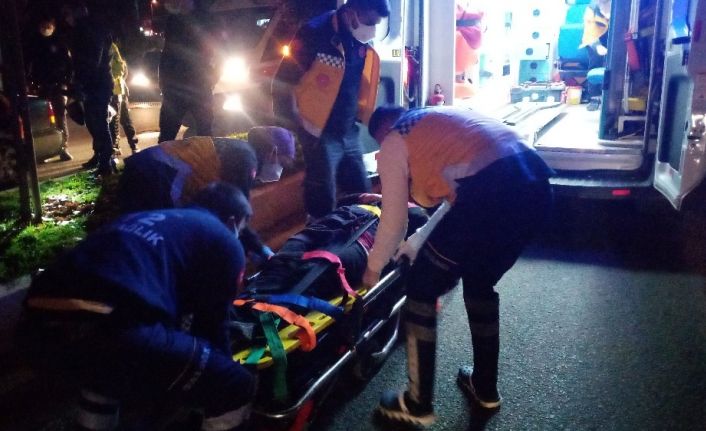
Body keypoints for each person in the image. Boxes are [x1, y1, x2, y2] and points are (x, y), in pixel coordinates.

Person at [362, 106, 554, 426]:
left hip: (489, 196)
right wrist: (419, 241)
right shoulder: (440, 121)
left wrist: (372, 270)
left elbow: (393, 221)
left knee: (421, 286)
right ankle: (484, 387)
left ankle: (416, 404)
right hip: (537, 191)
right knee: (479, 281)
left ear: (383, 131)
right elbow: (456, 199)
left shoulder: (395, 139)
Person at [15, 182, 256, 431]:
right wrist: (217, 373)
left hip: (34, 333)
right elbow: (212, 327)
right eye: (241, 229)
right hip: (110, 329)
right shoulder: (224, 239)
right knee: (236, 385)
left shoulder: (149, 219)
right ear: (232, 221)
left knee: (105, 371)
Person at [272, 0, 390, 220]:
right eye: (370, 22)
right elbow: (283, 81)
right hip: (318, 130)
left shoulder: (360, 39)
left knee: (360, 190)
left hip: (348, 128)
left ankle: (356, 234)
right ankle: (319, 233)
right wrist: (293, 123)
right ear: (352, 13)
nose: (373, 29)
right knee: (322, 195)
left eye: (377, 24)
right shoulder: (315, 33)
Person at [118, 127, 296, 263]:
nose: (280, 170)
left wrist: (253, 247)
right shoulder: (246, 159)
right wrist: (258, 249)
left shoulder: (240, 150)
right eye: (283, 163)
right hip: (155, 179)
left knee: (138, 244)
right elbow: (236, 214)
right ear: (273, 152)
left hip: (144, 169)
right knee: (153, 250)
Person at [63, 3, 115, 177]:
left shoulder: (88, 31)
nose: (66, 18)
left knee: (99, 123)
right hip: (94, 83)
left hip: (96, 84)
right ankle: (101, 157)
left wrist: (81, 82)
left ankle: (106, 162)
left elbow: (91, 61)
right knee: (94, 123)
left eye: (68, 13)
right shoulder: (86, 30)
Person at [157, 0, 219, 143]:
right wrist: (164, 82)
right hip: (177, 87)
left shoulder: (205, 19)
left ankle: (206, 157)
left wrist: (212, 77)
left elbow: (216, 50)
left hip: (197, 85)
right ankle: (164, 157)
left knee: (205, 132)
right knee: (167, 133)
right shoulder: (174, 20)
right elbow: (168, 53)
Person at [24, 15, 73, 161]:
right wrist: (31, 81)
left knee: (60, 116)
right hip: (42, 86)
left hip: (58, 86)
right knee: (44, 118)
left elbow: (69, 64)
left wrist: (66, 81)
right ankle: (47, 149)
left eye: (48, 26)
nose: (45, 29)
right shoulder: (35, 43)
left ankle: (63, 148)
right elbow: (29, 64)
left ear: (53, 27)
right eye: (43, 26)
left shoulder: (60, 43)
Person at [109, 42, 140, 156]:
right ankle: (130, 146)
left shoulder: (110, 47)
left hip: (115, 90)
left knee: (117, 121)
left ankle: (121, 147)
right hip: (117, 89)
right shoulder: (111, 47)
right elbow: (123, 70)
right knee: (121, 120)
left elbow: (120, 69)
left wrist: (110, 79)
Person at [580, 0, 611, 110]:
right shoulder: (591, 9)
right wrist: (598, 46)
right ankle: (594, 97)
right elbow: (590, 32)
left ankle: (610, 96)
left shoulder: (617, 5)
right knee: (595, 62)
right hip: (594, 38)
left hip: (611, 36)